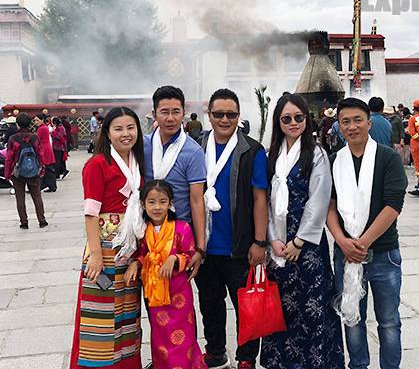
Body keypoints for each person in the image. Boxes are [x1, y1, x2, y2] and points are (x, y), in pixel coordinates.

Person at [260, 93, 343, 369]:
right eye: (286, 119)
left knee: (312, 307)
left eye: (299, 117)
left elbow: (319, 199)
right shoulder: (272, 154)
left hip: (306, 246)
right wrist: (273, 239)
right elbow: (267, 201)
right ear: (278, 122)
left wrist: (299, 240)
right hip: (278, 247)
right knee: (281, 309)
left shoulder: (316, 153)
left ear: (307, 119)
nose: (293, 123)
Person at [326, 97, 408, 369]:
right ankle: (358, 365)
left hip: (383, 253)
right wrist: (342, 241)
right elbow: (329, 204)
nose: (352, 127)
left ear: (369, 123)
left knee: (388, 322)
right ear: (339, 126)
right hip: (345, 254)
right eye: (345, 122)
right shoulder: (334, 161)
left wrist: (361, 243)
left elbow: (393, 204)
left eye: (357, 120)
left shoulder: (388, 158)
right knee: (352, 319)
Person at [196, 89, 268, 369]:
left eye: (231, 114)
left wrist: (259, 242)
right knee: (210, 304)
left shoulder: (251, 149)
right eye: (219, 114)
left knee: (246, 308)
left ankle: (247, 357)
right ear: (209, 115)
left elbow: (260, 197)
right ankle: (215, 353)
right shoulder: (196, 145)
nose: (225, 119)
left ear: (239, 116)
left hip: (240, 245)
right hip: (205, 246)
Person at [70, 107, 145, 369]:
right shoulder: (98, 164)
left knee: (127, 314)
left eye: (130, 128)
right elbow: (91, 214)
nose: (126, 134)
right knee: (100, 317)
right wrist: (96, 254)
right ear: (108, 133)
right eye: (119, 129)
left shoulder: (138, 163)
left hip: (130, 249)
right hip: (104, 248)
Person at [124, 180, 207, 369]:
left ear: (170, 203)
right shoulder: (143, 231)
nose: (157, 207)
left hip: (178, 295)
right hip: (155, 294)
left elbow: (190, 253)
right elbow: (142, 254)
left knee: (183, 337)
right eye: (151, 202)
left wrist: (174, 259)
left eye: (162, 201)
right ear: (143, 205)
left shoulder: (181, 227)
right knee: (160, 336)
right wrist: (135, 264)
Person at [143, 85, 207, 281]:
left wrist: (200, 248)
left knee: (180, 301)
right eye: (164, 112)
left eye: (175, 112)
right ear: (154, 114)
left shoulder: (193, 151)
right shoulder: (143, 145)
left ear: (184, 113)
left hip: (179, 237)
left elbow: (196, 200)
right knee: (152, 299)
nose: (170, 118)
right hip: (148, 235)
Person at [4, 113, 49, 229]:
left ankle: (24, 222)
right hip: (34, 171)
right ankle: (42, 220)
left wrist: (7, 173)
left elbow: (9, 157)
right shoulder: (34, 137)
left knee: (20, 197)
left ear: (17, 125)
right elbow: (40, 153)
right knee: (37, 196)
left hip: (17, 172)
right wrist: (42, 167)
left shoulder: (13, 138)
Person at [34, 114, 57, 192]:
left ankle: (48, 185)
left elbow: (37, 139)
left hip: (44, 150)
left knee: (47, 168)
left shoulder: (41, 128)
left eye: (37, 120)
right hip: (46, 148)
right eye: (35, 120)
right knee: (48, 169)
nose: (36, 122)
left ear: (42, 120)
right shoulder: (43, 127)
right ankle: (50, 185)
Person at [407, 99, 419, 175]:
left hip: (416, 143)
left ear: (414, 108)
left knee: (417, 161)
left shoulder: (412, 119)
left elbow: (412, 132)